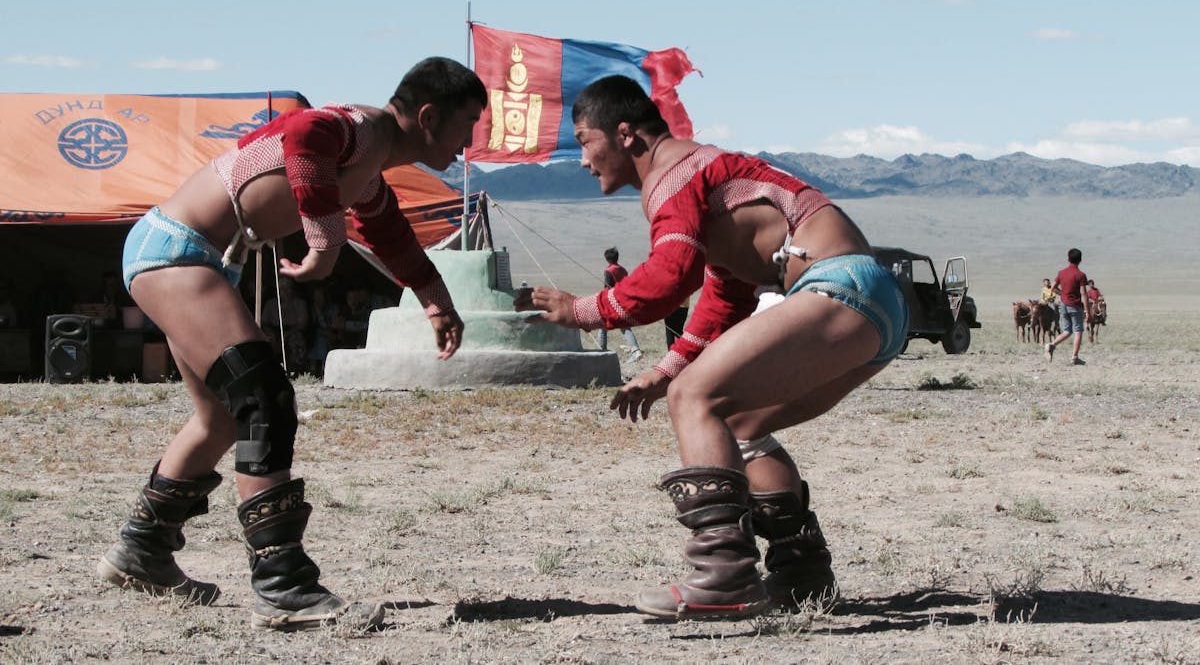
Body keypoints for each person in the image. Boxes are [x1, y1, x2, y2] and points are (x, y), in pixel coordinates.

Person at [97, 57, 485, 631]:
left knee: (221, 420)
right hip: (177, 251)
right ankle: (283, 586)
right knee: (264, 398)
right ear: (428, 116)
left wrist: (436, 300)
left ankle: (142, 551)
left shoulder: (368, 170)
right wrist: (325, 241)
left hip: (192, 258)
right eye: (468, 124)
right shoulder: (356, 128)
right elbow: (302, 131)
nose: (471, 141)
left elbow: (393, 237)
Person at [516, 75, 909, 621]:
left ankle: (724, 576)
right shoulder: (705, 173)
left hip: (839, 287)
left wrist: (582, 311)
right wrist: (667, 368)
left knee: (694, 401)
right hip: (875, 303)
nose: (582, 159)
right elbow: (727, 292)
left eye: (584, 140)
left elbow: (669, 276)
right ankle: (802, 576)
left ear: (626, 134)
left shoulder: (671, 176)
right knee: (740, 424)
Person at [596, 247, 642, 360]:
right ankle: (635, 350)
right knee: (625, 327)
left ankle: (601, 352)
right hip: (624, 301)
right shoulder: (623, 270)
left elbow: (607, 288)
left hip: (612, 302)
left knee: (602, 325)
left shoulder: (608, 271)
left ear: (607, 259)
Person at [1046, 248, 1088, 365]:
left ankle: (1052, 345)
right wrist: (1088, 311)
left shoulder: (1061, 273)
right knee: (1078, 331)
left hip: (1063, 305)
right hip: (1075, 306)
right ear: (1080, 260)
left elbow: (1053, 287)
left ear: (1068, 259)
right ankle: (1075, 357)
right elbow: (1084, 293)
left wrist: (1063, 294)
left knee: (1067, 331)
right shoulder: (1081, 275)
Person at [1085, 278, 1106, 343]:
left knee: (1103, 306)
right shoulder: (1089, 291)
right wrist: (1092, 300)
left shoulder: (1096, 290)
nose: (1091, 285)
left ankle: (1103, 319)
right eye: (1090, 284)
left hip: (1097, 302)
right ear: (1089, 285)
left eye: (1092, 284)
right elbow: (1088, 298)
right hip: (1091, 302)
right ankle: (1086, 318)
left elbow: (1100, 295)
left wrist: (1101, 298)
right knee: (1086, 308)